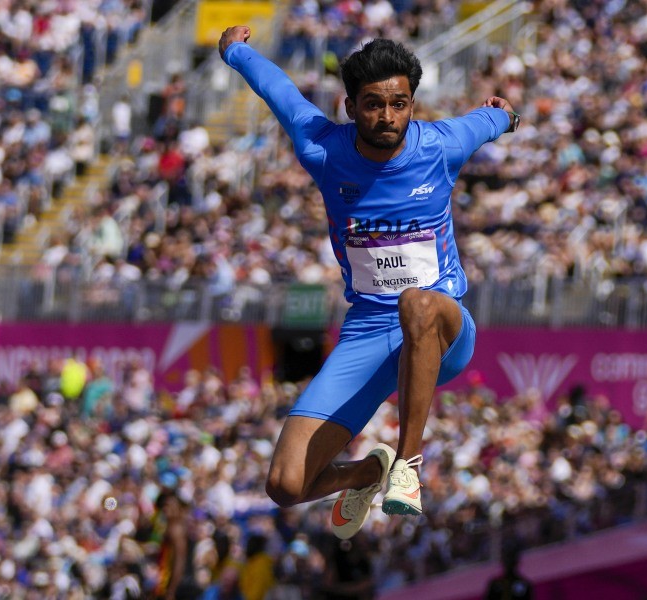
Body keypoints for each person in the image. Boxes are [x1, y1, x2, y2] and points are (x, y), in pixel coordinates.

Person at [218, 25, 520, 538]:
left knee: (417, 304)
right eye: (375, 105)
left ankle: (407, 464)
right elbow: (280, 93)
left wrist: (506, 114)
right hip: (367, 336)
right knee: (286, 484)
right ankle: (370, 471)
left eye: (400, 104)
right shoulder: (323, 150)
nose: (388, 117)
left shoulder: (440, 144)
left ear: (412, 103)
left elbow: (494, 119)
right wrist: (235, 50)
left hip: (442, 329)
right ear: (350, 105)